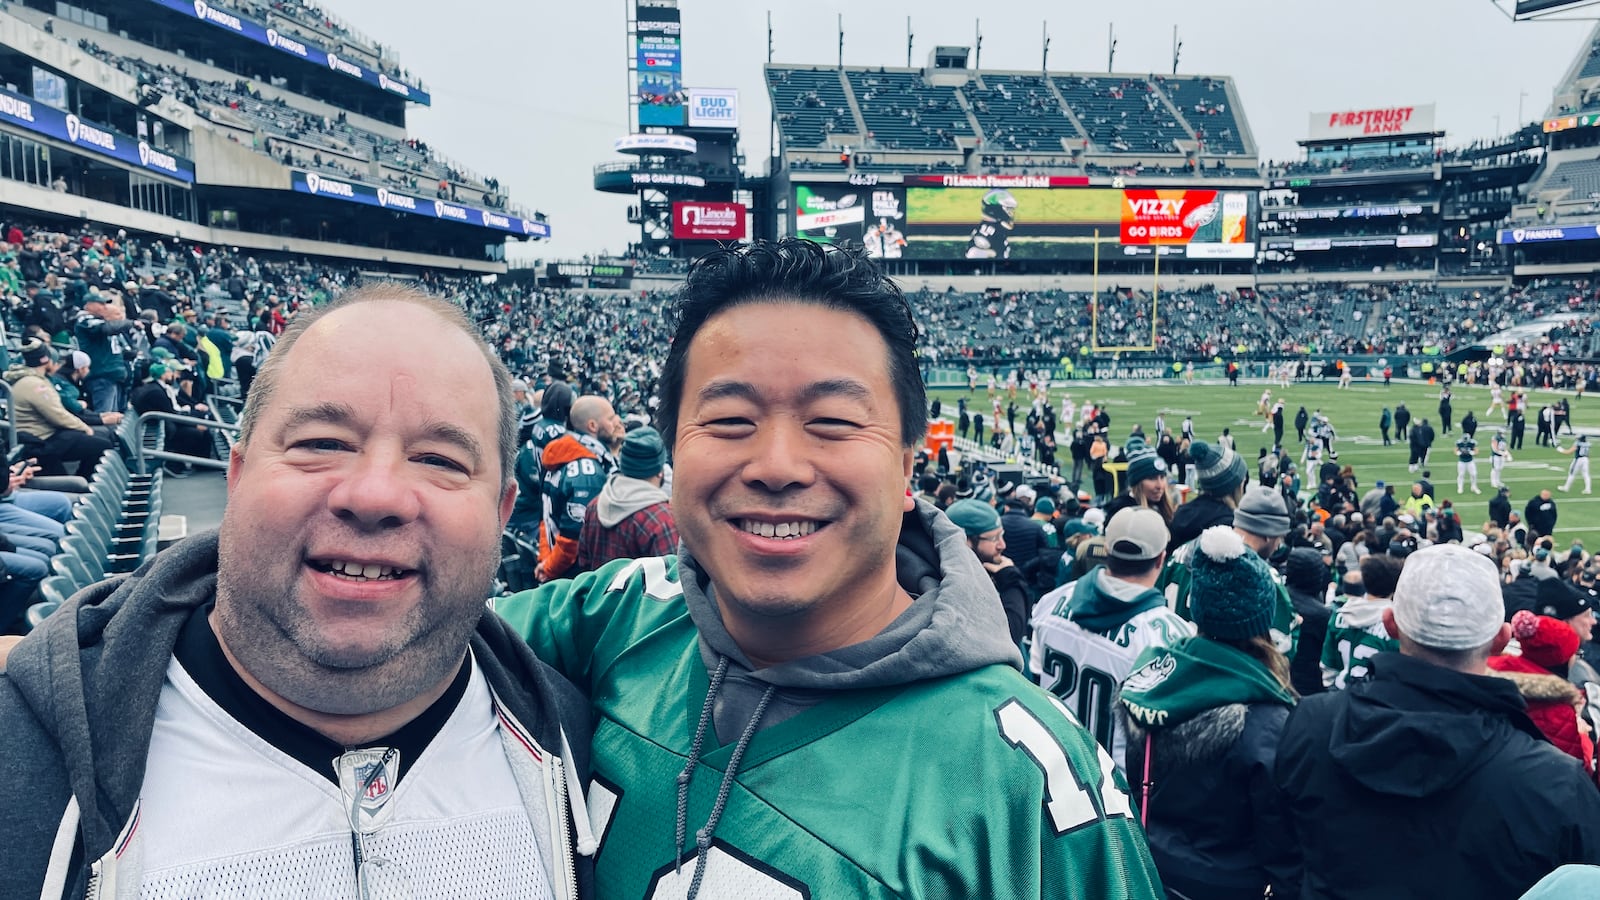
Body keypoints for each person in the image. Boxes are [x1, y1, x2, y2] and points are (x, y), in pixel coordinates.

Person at [494, 240, 1163, 897]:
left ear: (908, 467)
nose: (778, 466)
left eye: (834, 421)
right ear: (673, 453)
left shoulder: (1029, 784)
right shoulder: (618, 616)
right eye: (729, 419)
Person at [0, 284, 596, 899]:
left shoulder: (578, 751)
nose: (374, 496)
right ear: (238, 474)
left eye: (440, 459)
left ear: (502, 512)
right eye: (322, 444)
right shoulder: (21, 757)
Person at [1276, 544, 1600, 899]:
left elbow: (1283, 859)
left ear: (1391, 623)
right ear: (1501, 638)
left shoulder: (1309, 723)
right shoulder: (1556, 782)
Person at [1120, 525, 1301, 900]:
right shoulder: (1266, 721)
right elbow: (1280, 842)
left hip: (1147, 868)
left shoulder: (1152, 679)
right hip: (1228, 885)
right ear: (1262, 619)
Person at [1030, 507, 1193, 771]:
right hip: (1115, 792)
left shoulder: (1051, 602)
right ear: (1161, 559)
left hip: (1050, 769)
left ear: (1106, 550)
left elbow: (1035, 678)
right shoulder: (1172, 636)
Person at [1489, 611, 1596, 774]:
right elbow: (1580, 768)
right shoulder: (1557, 708)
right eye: (1575, 653)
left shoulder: (1490, 671)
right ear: (1563, 659)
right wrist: (1583, 737)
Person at [536, 394, 622, 582]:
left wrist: (545, 559)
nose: (617, 422)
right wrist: (549, 569)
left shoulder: (562, 454)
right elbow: (573, 538)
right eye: (610, 418)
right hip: (573, 579)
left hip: (555, 566)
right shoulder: (587, 472)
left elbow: (544, 519)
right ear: (593, 426)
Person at [575, 425, 679, 572]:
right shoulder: (661, 519)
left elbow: (584, 564)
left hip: (598, 594)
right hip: (639, 596)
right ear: (660, 471)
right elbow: (672, 581)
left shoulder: (595, 505)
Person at [3, 339, 112, 477]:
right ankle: (86, 481)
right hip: (40, 441)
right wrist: (84, 428)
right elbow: (57, 415)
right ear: (46, 360)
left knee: (97, 440)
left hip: (42, 436)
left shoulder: (30, 380)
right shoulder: (34, 384)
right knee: (102, 445)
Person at [950, 498, 1031, 647]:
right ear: (966, 541)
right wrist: (1011, 580)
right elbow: (1011, 633)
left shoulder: (981, 569)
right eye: (994, 538)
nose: (1002, 545)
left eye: (1002, 535)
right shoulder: (959, 584)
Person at [1320, 554, 1403, 690]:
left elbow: (1328, 662)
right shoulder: (1395, 623)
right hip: (1376, 698)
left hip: (1340, 691)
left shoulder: (1341, 614)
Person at [73, 289, 136, 413]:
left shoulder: (103, 323)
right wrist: (131, 323)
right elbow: (106, 328)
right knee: (105, 416)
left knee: (114, 417)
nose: (104, 307)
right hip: (101, 375)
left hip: (112, 375)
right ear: (89, 305)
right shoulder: (85, 319)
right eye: (101, 304)